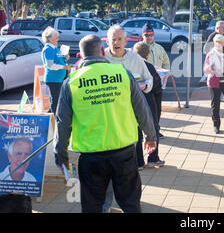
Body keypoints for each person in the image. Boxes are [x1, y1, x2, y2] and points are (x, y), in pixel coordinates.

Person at [53, 34, 157, 213]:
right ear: (103, 51)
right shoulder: (122, 73)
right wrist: (151, 136)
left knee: (93, 206)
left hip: (91, 157)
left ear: (81, 56)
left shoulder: (71, 82)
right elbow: (142, 108)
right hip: (124, 153)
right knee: (131, 204)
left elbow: (62, 123)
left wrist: (60, 154)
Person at [103, 25, 153, 212]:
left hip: (128, 124)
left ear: (125, 41)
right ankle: (107, 204)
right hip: (105, 123)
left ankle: (128, 204)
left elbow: (150, 81)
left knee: (126, 174)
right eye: (112, 39)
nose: (116, 43)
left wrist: (141, 87)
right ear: (107, 41)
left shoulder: (135, 59)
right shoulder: (101, 60)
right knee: (105, 174)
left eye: (119, 39)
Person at [133, 41, 165, 168]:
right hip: (149, 104)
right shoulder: (150, 67)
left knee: (136, 132)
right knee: (152, 130)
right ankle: (153, 158)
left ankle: (138, 162)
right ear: (147, 55)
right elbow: (157, 90)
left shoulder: (129, 67)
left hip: (134, 105)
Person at [203, 34, 224, 134]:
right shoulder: (211, 54)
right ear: (214, 43)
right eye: (216, 42)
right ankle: (216, 125)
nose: (218, 44)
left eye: (220, 42)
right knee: (215, 105)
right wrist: (210, 67)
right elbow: (205, 69)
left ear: (223, 43)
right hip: (215, 83)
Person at [142, 23, 169, 138]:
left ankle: (156, 129)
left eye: (151, 34)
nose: (149, 37)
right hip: (144, 84)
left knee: (157, 108)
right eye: (147, 35)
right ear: (143, 35)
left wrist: (165, 73)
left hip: (157, 83)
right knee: (146, 109)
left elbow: (166, 62)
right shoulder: (139, 48)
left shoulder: (159, 48)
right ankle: (148, 131)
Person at [41, 26, 70, 114]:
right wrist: (63, 67)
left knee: (56, 99)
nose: (58, 39)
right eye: (56, 37)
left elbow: (60, 61)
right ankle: (54, 118)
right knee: (55, 100)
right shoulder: (48, 49)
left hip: (59, 78)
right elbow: (50, 65)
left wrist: (66, 59)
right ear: (50, 38)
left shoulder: (55, 48)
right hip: (53, 79)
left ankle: (50, 115)